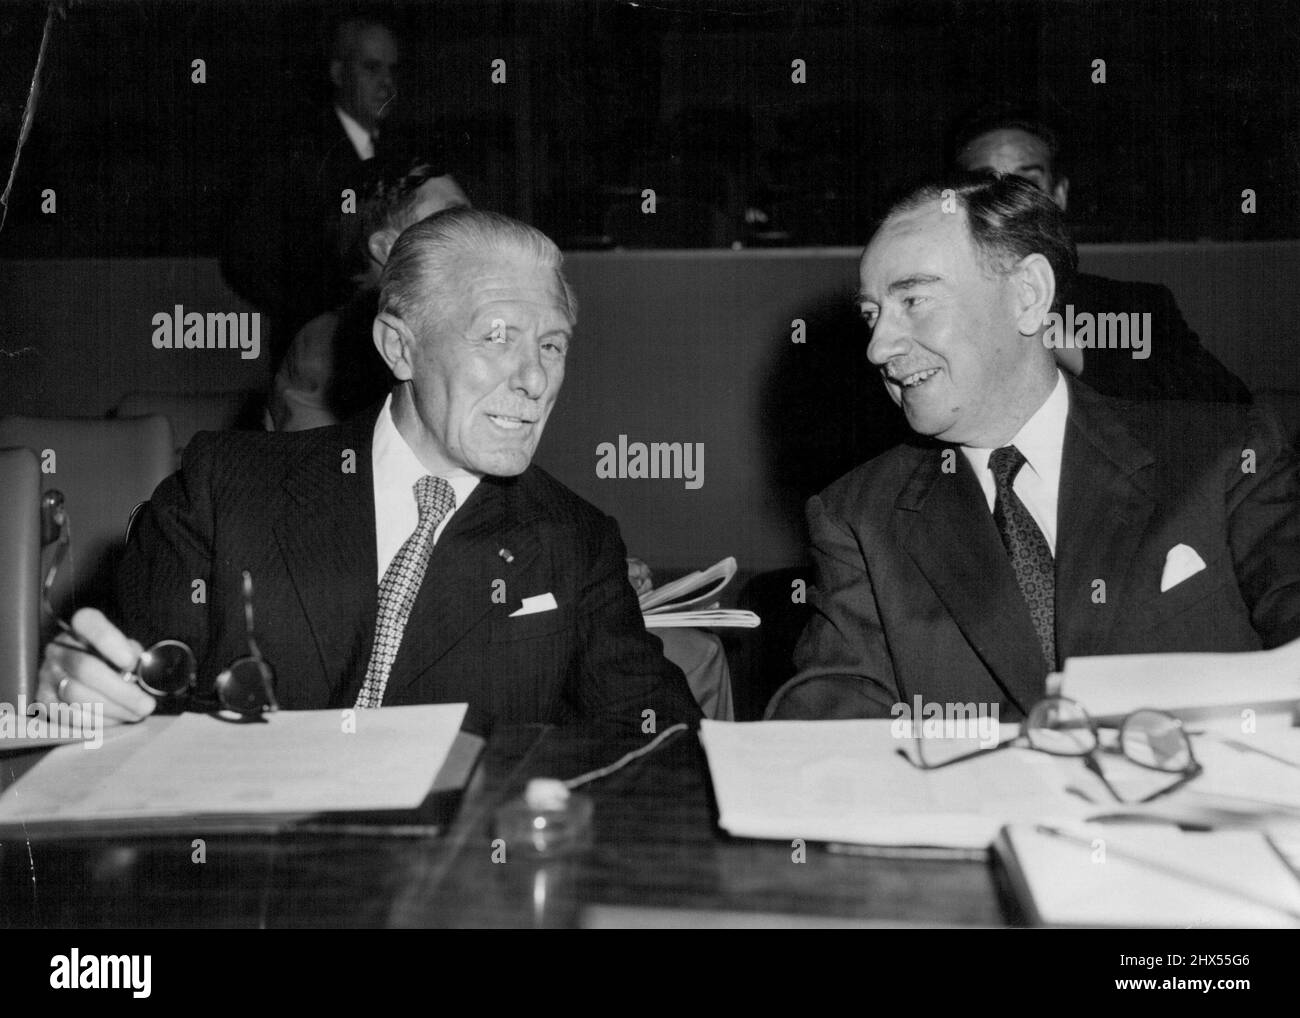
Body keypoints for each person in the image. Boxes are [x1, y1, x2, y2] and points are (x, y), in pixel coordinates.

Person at [40, 209, 702, 737]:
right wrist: (83, 694)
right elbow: (133, 683)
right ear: (400, 346)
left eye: (551, 345)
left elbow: (662, 738)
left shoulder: (574, 542)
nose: (534, 379)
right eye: (497, 337)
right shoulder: (225, 486)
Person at [772, 174, 1300, 721]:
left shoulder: (1225, 455)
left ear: (1028, 296)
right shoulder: (859, 516)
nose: (879, 346)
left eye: (913, 299)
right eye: (871, 314)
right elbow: (828, 727)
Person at [951, 104, 1251, 404]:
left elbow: (1226, 403)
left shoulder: (1131, 307)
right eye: (987, 186)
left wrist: (1063, 344)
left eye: (1026, 184)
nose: (1008, 204)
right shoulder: (930, 310)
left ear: (1059, 194)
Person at [221, 14, 410, 355]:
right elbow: (243, 257)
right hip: (317, 362)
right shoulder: (295, 153)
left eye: (392, 70)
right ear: (339, 74)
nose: (387, 84)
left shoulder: (400, 154)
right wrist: (316, 315)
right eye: (371, 68)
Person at [269, 156, 470, 432]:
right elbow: (325, 467)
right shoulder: (332, 344)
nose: (477, 231)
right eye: (454, 219)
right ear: (388, 248)